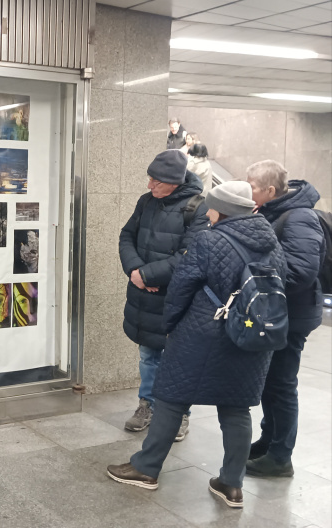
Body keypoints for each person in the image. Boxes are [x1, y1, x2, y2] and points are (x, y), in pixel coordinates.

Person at [108, 182, 287, 508]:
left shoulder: (209, 240)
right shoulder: (272, 243)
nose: (208, 211)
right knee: (236, 409)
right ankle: (231, 485)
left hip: (201, 335)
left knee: (171, 399)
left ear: (222, 210)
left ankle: (146, 468)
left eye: (212, 207)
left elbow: (181, 288)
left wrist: (171, 326)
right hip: (250, 338)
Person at [119, 150, 209, 439]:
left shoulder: (198, 208)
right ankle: (147, 405)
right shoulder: (146, 202)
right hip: (144, 297)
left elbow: (190, 256)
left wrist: (148, 275)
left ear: (174, 181)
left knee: (179, 360)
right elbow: (126, 236)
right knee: (148, 355)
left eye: (155, 181)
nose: (149, 186)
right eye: (149, 179)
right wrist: (135, 270)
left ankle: (180, 414)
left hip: (177, 299)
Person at [245, 160, 326, 478]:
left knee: (281, 384)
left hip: (291, 315)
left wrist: (255, 274)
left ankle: (281, 457)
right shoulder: (271, 211)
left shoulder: (300, 217)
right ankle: (270, 440)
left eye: (251, 185)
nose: (247, 189)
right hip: (277, 312)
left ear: (269, 190)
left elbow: (301, 272)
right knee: (270, 381)